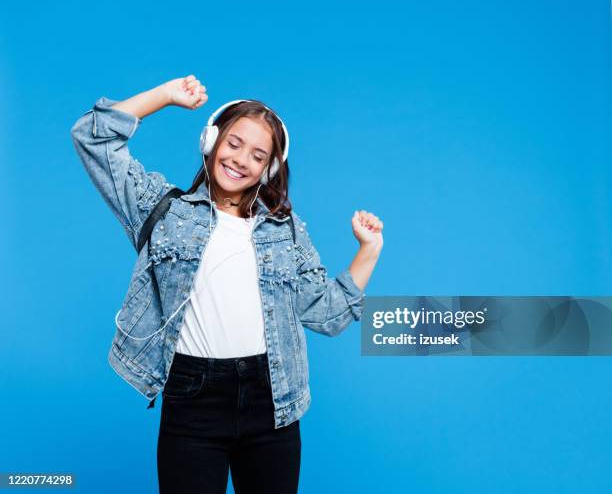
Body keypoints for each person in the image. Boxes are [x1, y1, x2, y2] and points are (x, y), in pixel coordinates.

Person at [70, 74, 384, 494]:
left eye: (258, 155)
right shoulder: (164, 210)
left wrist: (369, 250)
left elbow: (328, 315)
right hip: (192, 396)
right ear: (211, 141)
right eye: (234, 143)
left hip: (271, 399)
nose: (240, 159)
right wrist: (164, 97)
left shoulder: (285, 230)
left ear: (269, 169)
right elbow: (94, 137)